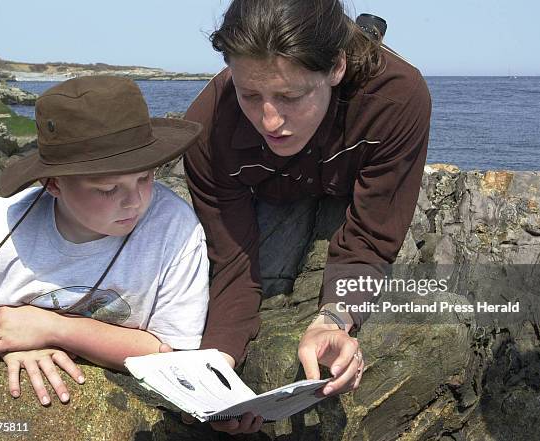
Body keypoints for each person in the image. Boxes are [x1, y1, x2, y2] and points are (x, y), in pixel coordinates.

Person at [178, 0, 431, 434]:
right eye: (249, 95)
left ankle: (365, 36)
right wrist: (215, 370)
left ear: (335, 67)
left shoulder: (397, 96)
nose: (270, 120)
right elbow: (233, 261)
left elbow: (371, 235)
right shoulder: (206, 130)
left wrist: (335, 319)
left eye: (290, 96)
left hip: (348, 180)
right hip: (274, 190)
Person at [0, 76, 209, 406]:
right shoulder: (0, 223)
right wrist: (11, 332)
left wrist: (54, 329)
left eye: (146, 177)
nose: (135, 200)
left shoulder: (174, 228)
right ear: (53, 185)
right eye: (108, 189)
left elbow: (170, 353)